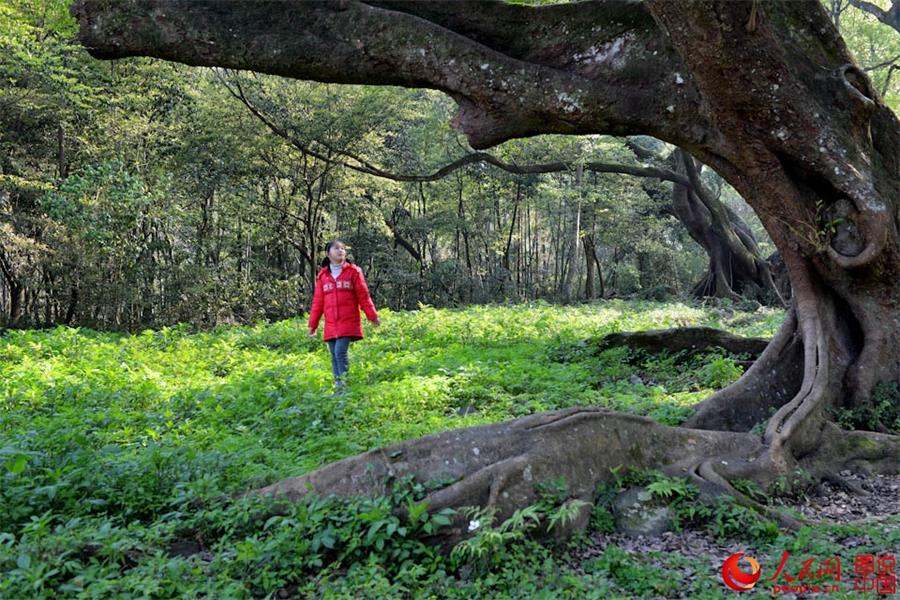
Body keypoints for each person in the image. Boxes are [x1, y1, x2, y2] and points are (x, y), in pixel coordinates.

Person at [307, 240, 380, 388]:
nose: (340, 251)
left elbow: (363, 296)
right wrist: (312, 326)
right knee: (334, 354)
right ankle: (338, 385)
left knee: (340, 352)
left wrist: (372, 316)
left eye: (342, 249)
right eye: (336, 248)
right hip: (331, 324)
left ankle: (344, 386)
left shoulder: (354, 272)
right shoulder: (322, 276)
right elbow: (318, 303)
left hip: (348, 321)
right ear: (328, 253)